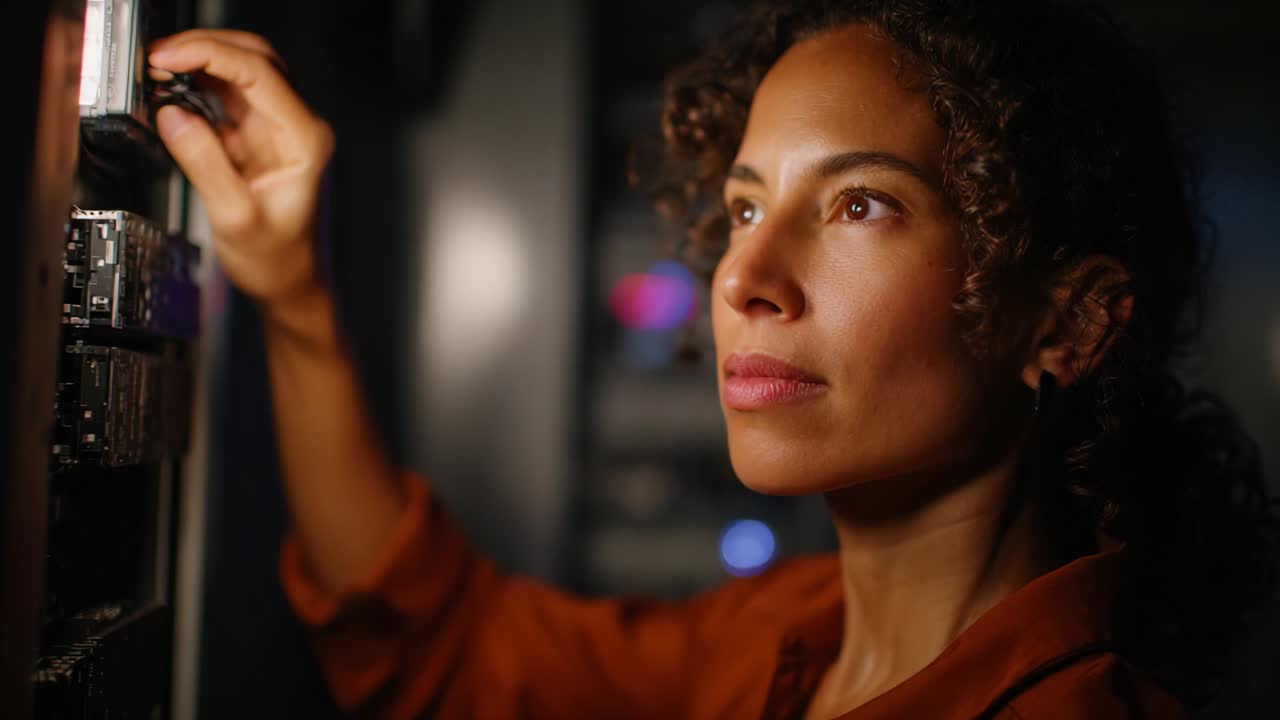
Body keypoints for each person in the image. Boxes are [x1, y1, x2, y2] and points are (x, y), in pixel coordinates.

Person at [148, 0, 1278, 717]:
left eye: (859, 204)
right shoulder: (775, 643)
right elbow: (441, 651)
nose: (742, 278)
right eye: (743, 209)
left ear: (1068, 325)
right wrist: (292, 291)